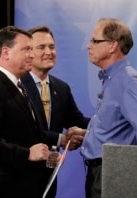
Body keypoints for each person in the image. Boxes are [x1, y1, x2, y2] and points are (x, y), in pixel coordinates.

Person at [0, 25, 84, 198]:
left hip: (28, 186)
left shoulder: (17, 86)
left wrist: (49, 154)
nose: (32, 55)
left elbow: (30, 133)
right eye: (26, 49)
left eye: (32, 49)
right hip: (6, 189)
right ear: (6, 52)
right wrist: (27, 154)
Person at [80, 18, 137, 198]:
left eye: (94, 40)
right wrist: (87, 133)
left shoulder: (128, 80)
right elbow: (114, 126)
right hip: (99, 173)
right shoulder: (112, 79)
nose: (89, 46)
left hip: (112, 174)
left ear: (113, 45)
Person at [21, 25, 90, 198]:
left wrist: (107, 122)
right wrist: (62, 139)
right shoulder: (18, 85)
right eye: (41, 47)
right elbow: (27, 130)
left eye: (52, 47)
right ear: (29, 52)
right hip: (21, 173)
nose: (49, 52)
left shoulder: (61, 88)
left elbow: (78, 121)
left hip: (50, 173)